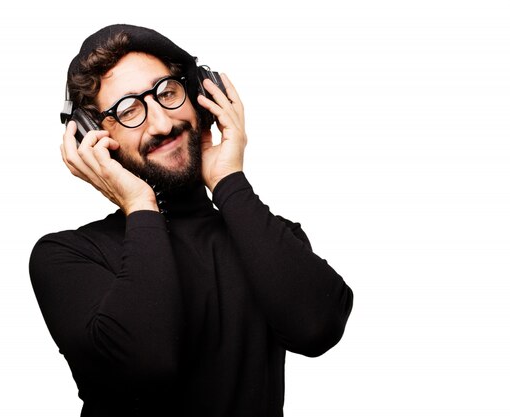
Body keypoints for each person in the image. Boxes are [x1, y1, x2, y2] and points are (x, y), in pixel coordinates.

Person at [29, 24, 353, 417]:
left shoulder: (266, 236)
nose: (162, 124)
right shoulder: (67, 257)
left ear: (199, 96)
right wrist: (138, 202)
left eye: (167, 92)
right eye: (129, 109)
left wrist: (228, 181)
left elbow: (318, 328)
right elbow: (147, 363)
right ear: (94, 135)